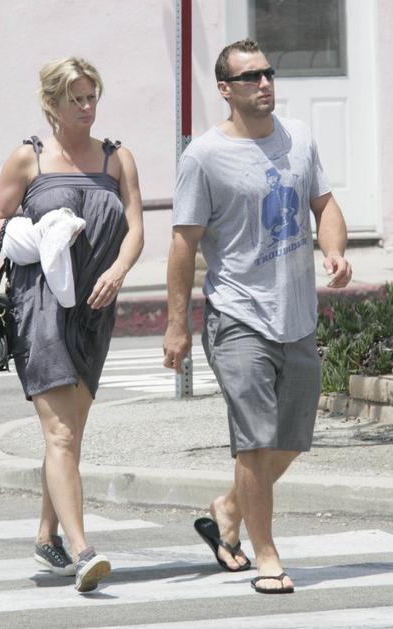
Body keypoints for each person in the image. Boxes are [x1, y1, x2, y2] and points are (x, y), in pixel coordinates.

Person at [163, 38, 351, 594]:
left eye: (267, 73)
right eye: (250, 77)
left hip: (297, 315)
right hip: (237, 314)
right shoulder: (203, 157)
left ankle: (228, 507)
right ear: (225, 89)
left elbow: (324, 203)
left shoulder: (299, 137)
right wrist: (176, 325)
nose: (264, 83)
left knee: (291, 439)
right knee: (255, 441)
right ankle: (266, 555)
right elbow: (183, 244)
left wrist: (335, 250)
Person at [0, 56, 143, 592]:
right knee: (61, 433)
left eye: (92, 96)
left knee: (70, 436)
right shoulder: (28, 158)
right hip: (40, 307)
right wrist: (39, 228)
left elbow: (135, 229)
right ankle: (82, 550)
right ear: (51, 102)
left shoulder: (117, 158)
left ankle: (46, 533)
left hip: (95, 308)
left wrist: (119, 271)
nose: (87, 107)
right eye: (76, 98)